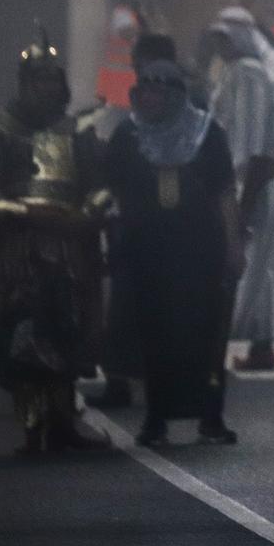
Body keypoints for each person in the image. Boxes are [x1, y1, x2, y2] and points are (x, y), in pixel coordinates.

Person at [0, 32, 110, 456]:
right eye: (37, 80)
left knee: (67, 328)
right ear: (23, 83)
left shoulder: (77, 129)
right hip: (20, 245)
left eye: (51, 80)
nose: (45, 88)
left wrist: (88, 212)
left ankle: (64, 422)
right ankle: (32, 427)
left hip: (68, 242)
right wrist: (5, 207)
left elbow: (99, 184)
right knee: (23, 331)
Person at [106, 57, 245, 447]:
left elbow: (223, 191)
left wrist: (233, 245)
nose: (149, 99)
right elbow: (111, 189)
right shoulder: (128, 135)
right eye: (143, 91)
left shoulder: (206, 133)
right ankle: (156, 419)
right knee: (154, 336)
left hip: (200, 250)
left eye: (157, 91)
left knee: (206, 334)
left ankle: (211, 417)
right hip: (148, 251)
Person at [89, 31, 181, 411]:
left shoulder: (190, 124)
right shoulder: (132, 127)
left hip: (168, 231)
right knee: (131, 307)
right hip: (141, 228)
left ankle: (150, 381)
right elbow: (111, 174)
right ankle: (126, 381)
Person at [207, 9, 274, 372]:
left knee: (246, 258)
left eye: (225, 39)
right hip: (253, 177)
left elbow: (250, 142)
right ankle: (261, 343)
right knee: (260, 264)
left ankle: (231, 335)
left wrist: (240, 198)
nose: (219, 47)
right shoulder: (249, 69)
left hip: (248, 179)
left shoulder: (249, 74)